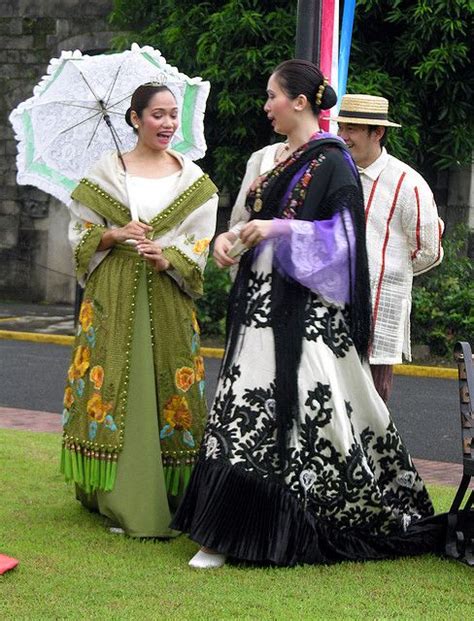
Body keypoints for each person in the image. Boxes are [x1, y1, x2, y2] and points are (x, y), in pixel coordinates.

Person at [171, 60, 440, 568]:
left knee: (311, 416)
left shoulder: (333, 160)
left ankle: (260, 531)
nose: (266, 105)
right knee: (243, 411)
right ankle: (223, 534)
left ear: (299, 102)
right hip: (258, 305)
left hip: (307, 312)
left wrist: (278, 231)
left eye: (272, 95)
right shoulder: (273, 159)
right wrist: (231, 239)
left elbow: (344, 244)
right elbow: (248, 221)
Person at [60, 83, 218, 537]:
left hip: (167, 294)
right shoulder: (105, 174)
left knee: (170, 383)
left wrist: (168, 257)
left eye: (173, 116)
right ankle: (118, 497)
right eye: (157, 115)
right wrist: (114, 235)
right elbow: (80, 231)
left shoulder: (193, 180)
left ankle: (174, 496)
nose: (168, 124)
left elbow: (199, 239)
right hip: (113, 293)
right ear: (135, 119)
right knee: (111, 385)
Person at [335, 94, 443, 402]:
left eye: (353, 128)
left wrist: (385, 269)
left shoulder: (408, 183)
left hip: (379, 315)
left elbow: (429, 250)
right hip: (330, 310)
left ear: (377, 132)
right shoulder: (336, 172)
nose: (344, 135)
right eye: (342, 126)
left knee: (372, 408)